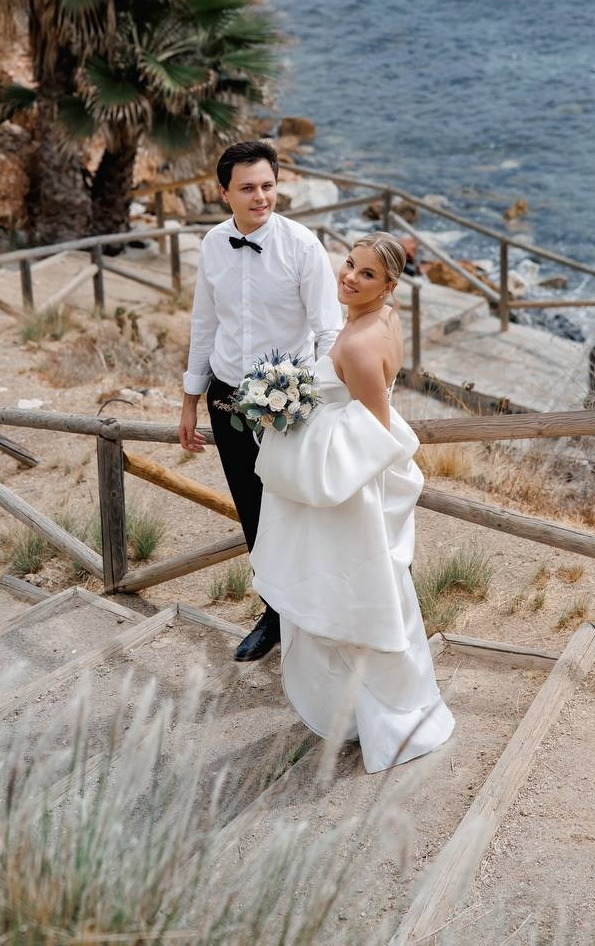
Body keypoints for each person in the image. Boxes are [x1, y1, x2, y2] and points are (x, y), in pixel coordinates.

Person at [250, 233, 455, 773]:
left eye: (366, 274)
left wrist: (296, 420)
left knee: (352, 597)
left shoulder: (363, 344)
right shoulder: (380, 320)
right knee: (365, 594)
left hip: (352, 493)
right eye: (348, 264)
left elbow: (373, 431)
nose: (348, 277)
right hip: (356, 486)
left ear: (389, 286)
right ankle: (359, 709)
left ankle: (379, 716)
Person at [179, 140, 343, 662]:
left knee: (294, 509)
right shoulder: (211, 244)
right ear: (223, 191)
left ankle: (313, 617)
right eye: (247, 188)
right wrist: (190, 400)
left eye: (268, 186)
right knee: (251, 508)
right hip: (226, 396)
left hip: (289, 400)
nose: (261, 197)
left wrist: (313, 398)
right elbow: (204, 324)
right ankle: (272, 617)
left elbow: (329, 333)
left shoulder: (302, 246)